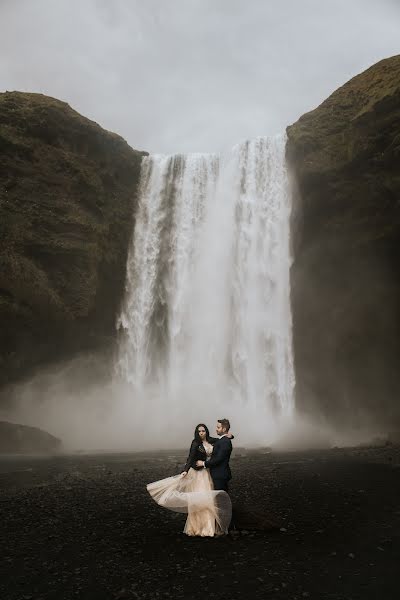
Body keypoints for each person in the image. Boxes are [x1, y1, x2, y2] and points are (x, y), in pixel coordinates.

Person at [146, 421, 233, 537]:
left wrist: (231, 436)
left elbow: (223, 440)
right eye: (199, 431)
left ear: (206, 431)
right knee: (199, 498)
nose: (201, 433)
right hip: (198, 473)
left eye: (203, 431)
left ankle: (209, 526)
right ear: (196, 433)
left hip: (207, 472)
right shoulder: (195, 443)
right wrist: (185, 471)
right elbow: (191, 458)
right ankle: (198, 527)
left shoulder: (212, 440)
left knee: (208, 498)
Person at [196, 418, 232, 492]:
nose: (216, 429)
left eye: (218, 427)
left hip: (220, 475)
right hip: (218, 474)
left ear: (224, 429)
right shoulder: (222, 440)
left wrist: (203, 463)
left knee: (220, 499)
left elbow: (218, 459)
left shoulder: (225, 442)